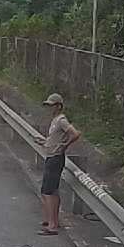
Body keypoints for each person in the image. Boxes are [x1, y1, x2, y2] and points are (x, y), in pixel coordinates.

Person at [38, 93, 81, 236]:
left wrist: (64, 145)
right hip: (52, 156)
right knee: (52, 190)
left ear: (58, 106)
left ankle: (52, 225)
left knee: (48, 191)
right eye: (48, 105)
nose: (49, 108)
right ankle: (53, 220)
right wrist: (45, 142)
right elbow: (56, 138)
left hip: (55, 158)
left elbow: (75, 134)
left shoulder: (61, 120)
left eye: (51, 105)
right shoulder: (55, 120)